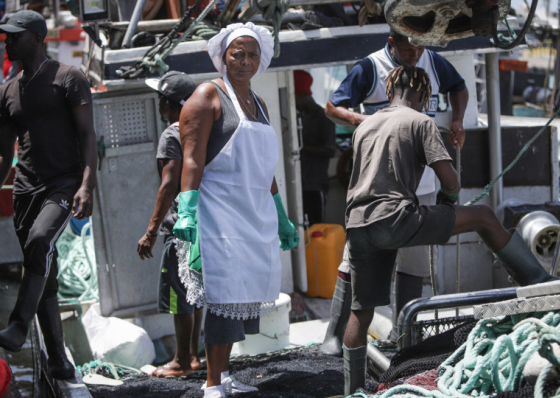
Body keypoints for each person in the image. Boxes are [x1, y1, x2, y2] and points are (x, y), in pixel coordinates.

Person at [342, 65, 557, 395]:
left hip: (357, 224)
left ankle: (352, 390)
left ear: (389, 91)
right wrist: (449, 204)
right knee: (484, 216)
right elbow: (451, 182)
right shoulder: (420, 122)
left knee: (361, 312)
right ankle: (541, 285)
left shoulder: (364, 126)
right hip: (397, 218)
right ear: (425, 97)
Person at [321, 29, 469, 357]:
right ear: (392, 43)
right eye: (407, 45)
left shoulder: (432, 61)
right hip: (377, 188)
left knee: (413, 263)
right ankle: (333, 332)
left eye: (419, 45)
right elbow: (332, 107)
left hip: (422, 185)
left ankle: (405, 339)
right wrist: (372, 121)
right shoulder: (370, 67)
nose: (414, 52)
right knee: (353, 261)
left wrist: (457, 119)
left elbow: (458, 86)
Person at [173, 22, 299, 398]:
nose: (245, 61)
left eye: (252, 54)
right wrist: (186, 211)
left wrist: (281, 215)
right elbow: (192, 161)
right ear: (223, 57)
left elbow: (264, 167)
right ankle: (212, 384)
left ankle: (224, 376)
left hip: (253, 213)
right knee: (224, 297)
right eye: (237, 54)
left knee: (242, 297)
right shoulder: (206, 96)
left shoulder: (258, 103)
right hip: (219, 213)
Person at [0, 10, 97, 380]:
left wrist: (87, 184)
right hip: (25, 190)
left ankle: (18, 325)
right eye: (6, 36)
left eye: (15, 36)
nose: (7, 41)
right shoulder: (8, 91)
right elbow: (3, 153)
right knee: (45, 273)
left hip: (63, 184)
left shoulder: (68, 78)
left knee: (42, 240)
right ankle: (58, 358)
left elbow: (88, 136)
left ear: (38, 38)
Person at [137, 71, 204, 377]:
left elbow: (168, 185)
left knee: (179, 294)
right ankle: (193, 355)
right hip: (205, 225)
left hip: (179, 225)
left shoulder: (172, 133)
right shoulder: (204, 129)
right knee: (197, 291)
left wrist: (151, 231)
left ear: (168, 104)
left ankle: (180, 361)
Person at [294, 69, 336, 226]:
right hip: (298, 184)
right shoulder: (298, 117)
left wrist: (302, 148)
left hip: (315, 184)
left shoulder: (324, 117)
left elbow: (330, 150)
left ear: (301, 96)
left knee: (316, 228)